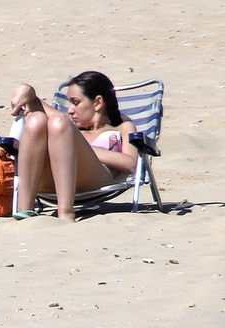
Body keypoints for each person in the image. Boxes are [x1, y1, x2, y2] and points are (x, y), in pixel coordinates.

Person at [9, 70, 138, 221]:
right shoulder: (69, 129)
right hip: (51, 180)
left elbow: (131, 164)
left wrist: (76, 147)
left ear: (97, 103)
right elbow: (38, 105)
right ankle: (25, 210)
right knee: (36, 120)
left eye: (75, 103)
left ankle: (66, 212)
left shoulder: (122, 127)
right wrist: (27, 90)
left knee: (59, 123)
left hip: (95, 180)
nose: (70, 110)